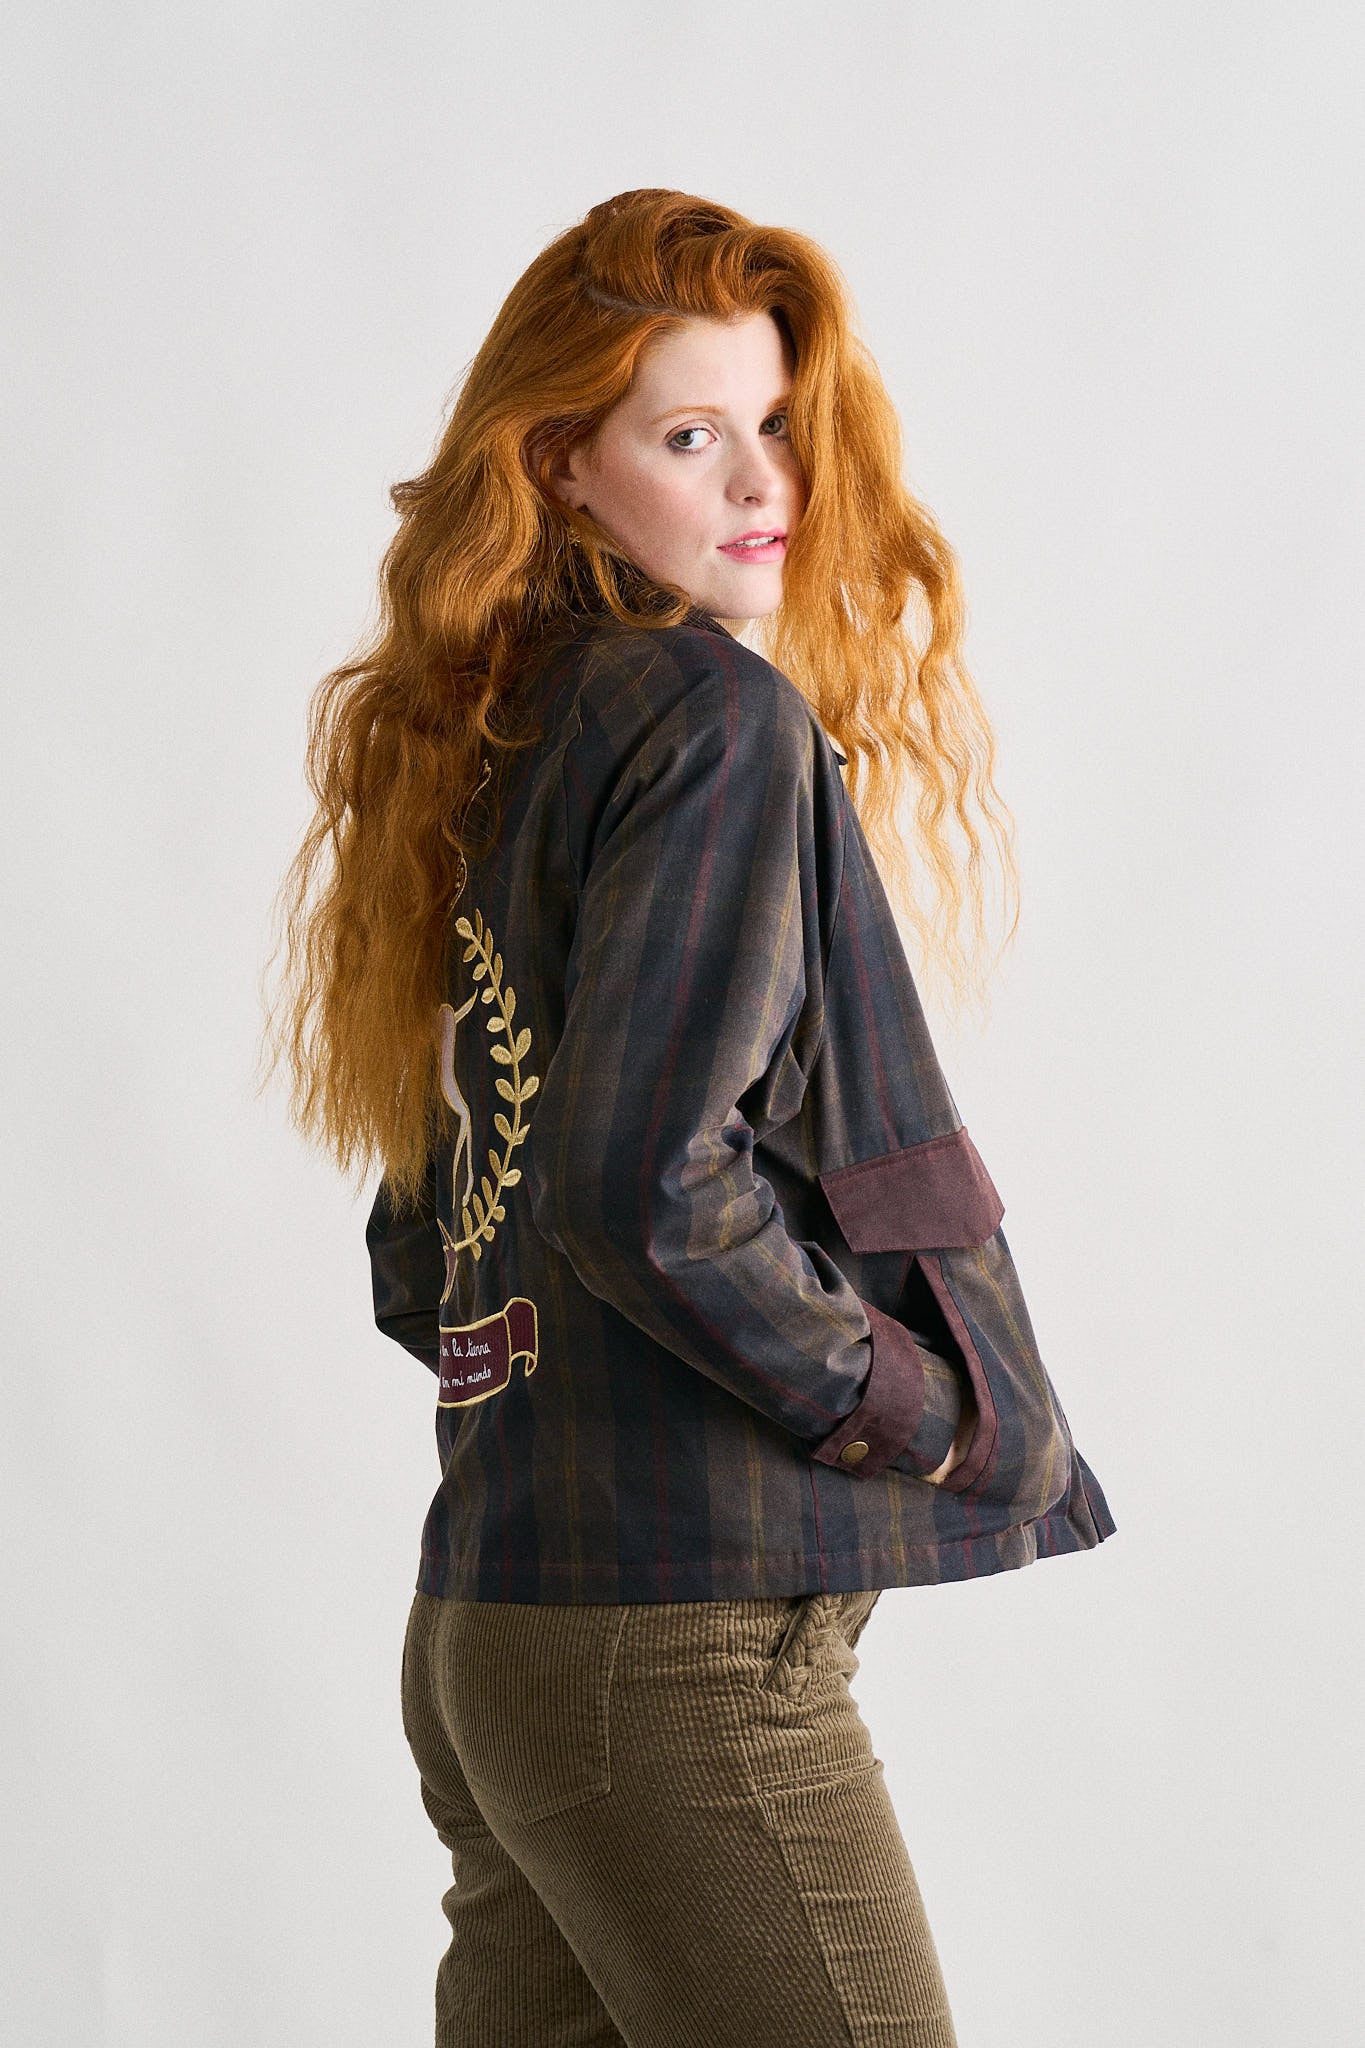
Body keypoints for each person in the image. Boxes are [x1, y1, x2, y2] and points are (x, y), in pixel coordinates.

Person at [262, 188, 1115, 2048]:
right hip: (673, 1652)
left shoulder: (502, 738)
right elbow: (639, 1188)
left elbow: (431, 1243)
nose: (760, 481)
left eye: (779, 424)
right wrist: (914, 1407)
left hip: (502, 1618)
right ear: (559, 463)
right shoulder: (709, 721)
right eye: (687, 435)